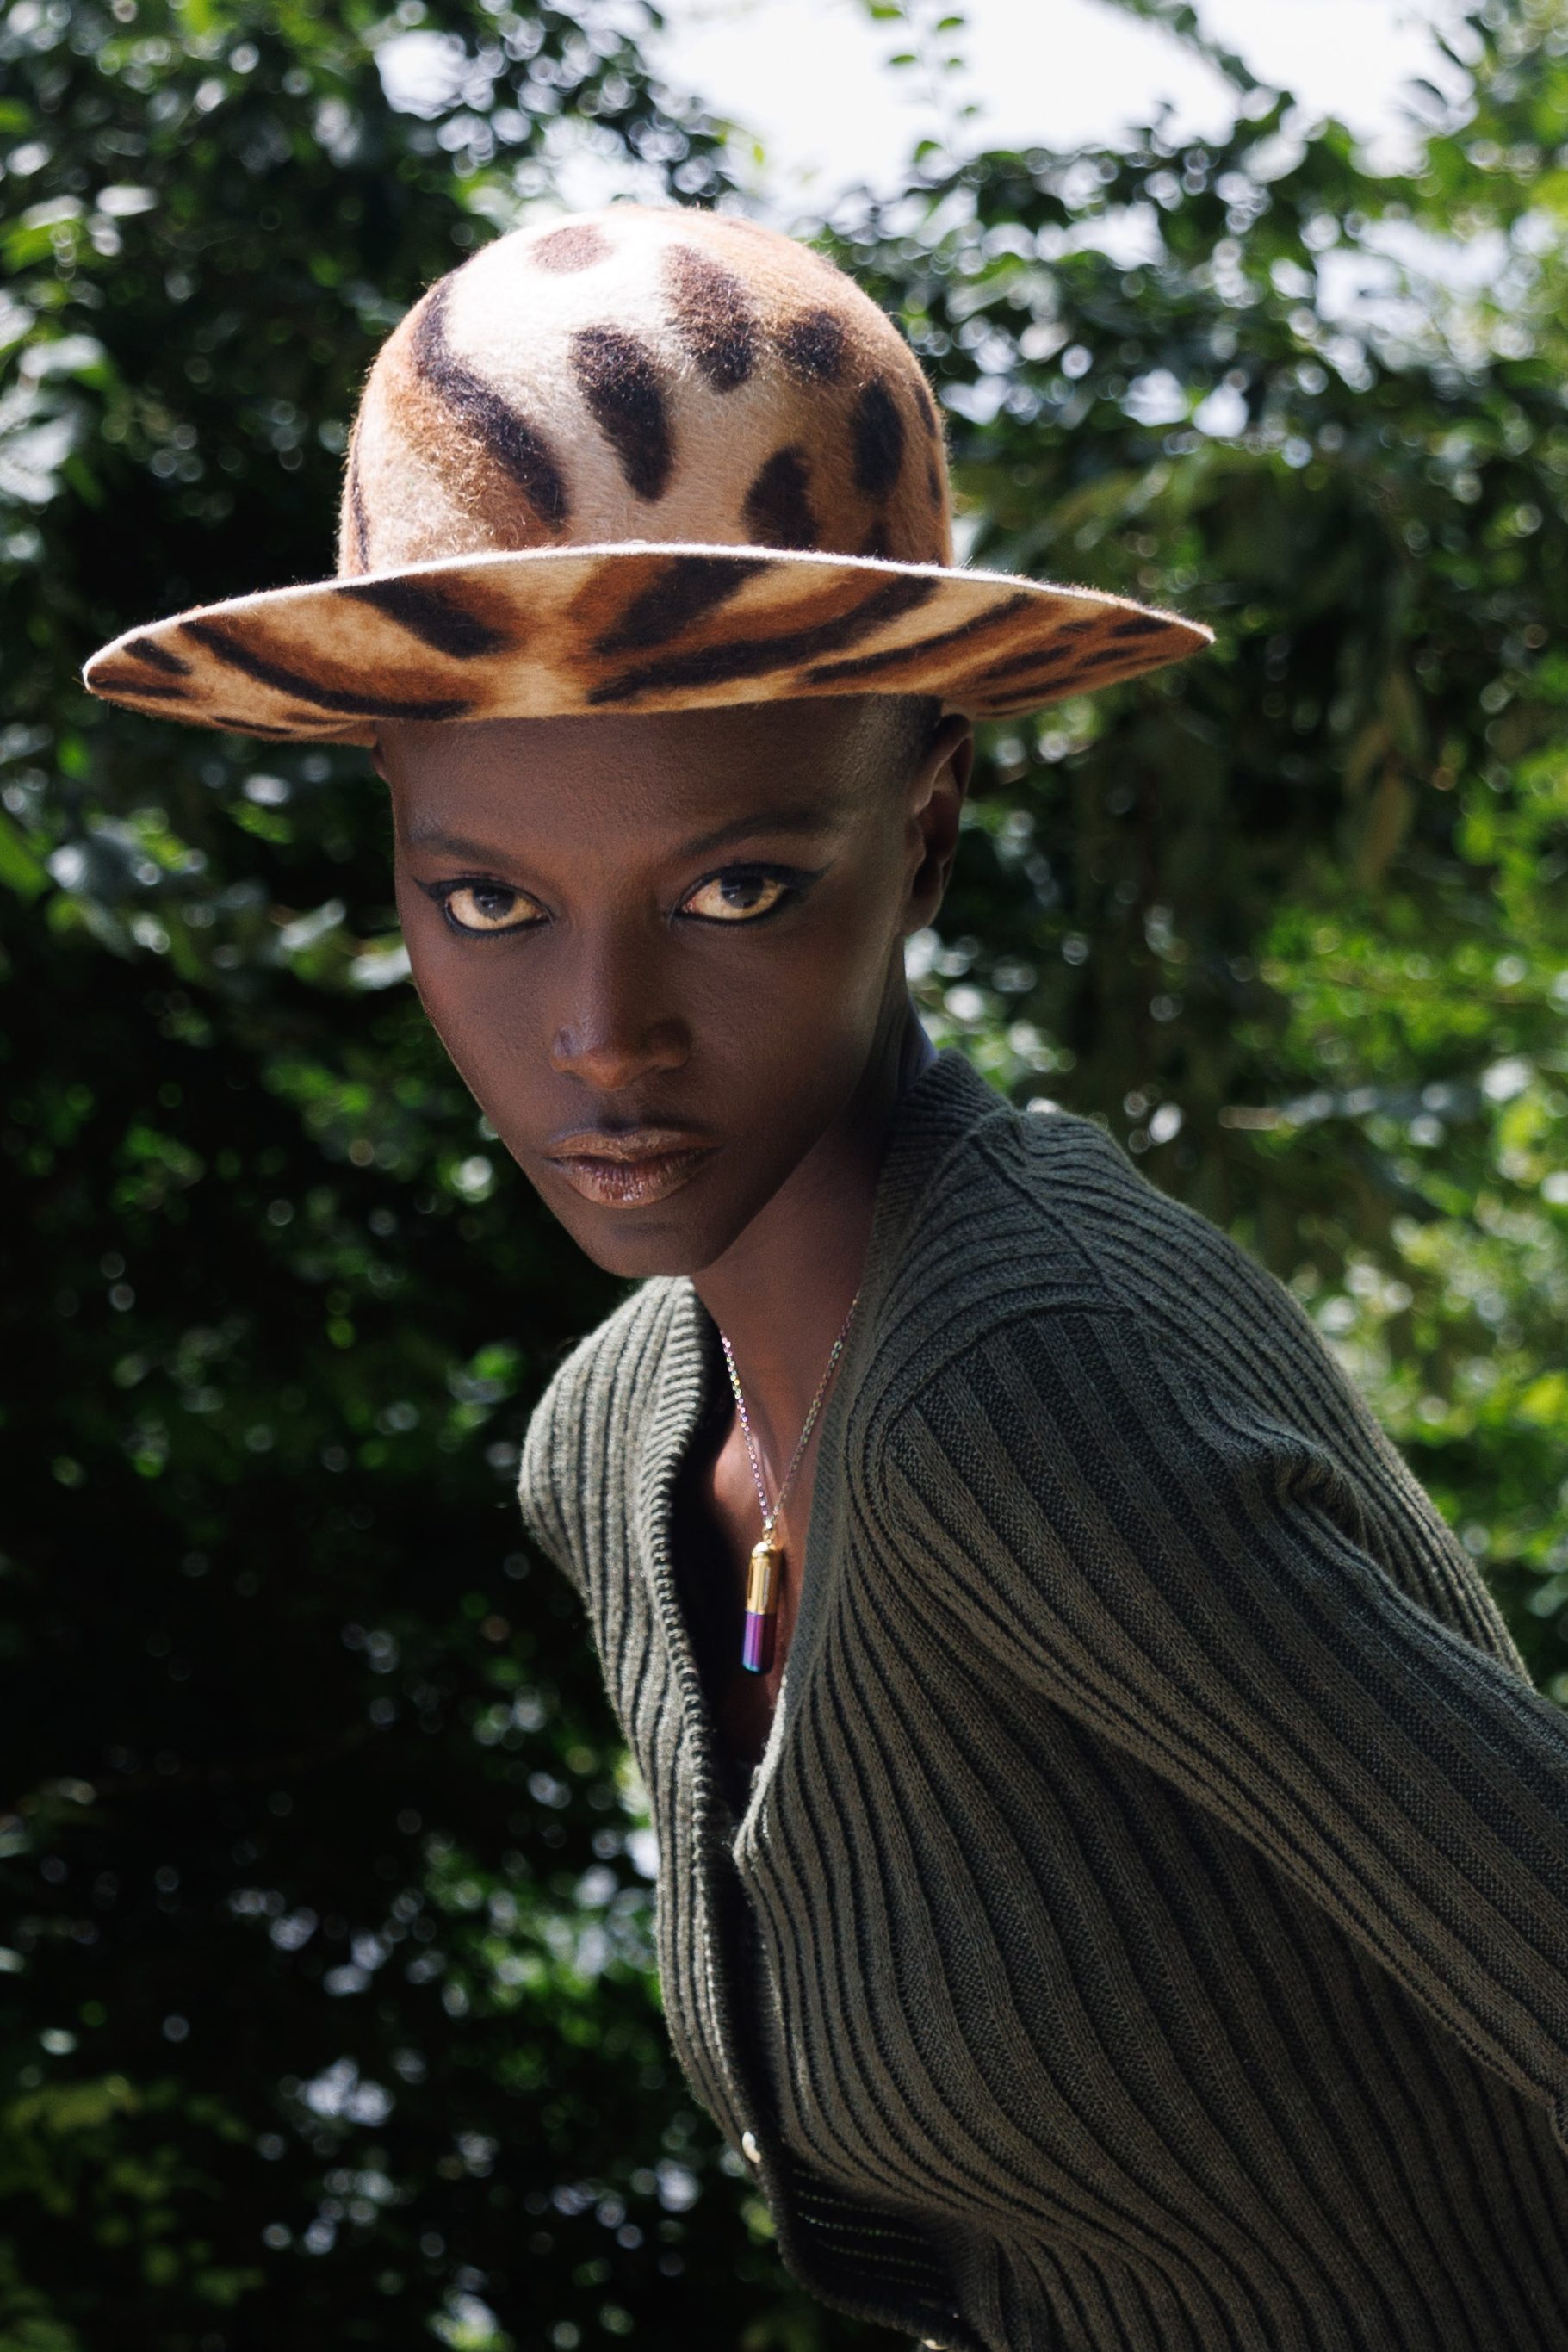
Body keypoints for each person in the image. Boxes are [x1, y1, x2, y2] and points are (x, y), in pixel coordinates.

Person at [84, 203, 1568, 2352]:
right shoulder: (620, 1438)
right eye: (486, 901)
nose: (602, 1033)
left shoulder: (1022, 1381)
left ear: (925, 833)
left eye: (738, 889)